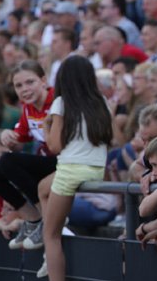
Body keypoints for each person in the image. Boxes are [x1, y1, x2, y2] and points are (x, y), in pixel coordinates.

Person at [43, 56, 113, 281]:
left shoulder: (61, 102)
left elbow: (54, 146)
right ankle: (54, 219)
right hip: (95, 170)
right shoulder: (102, 101)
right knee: (42, 188)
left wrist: (46, 127)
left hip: (70, 171)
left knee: (50, 236)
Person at [0, 61, 56, 250]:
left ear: (43, 81)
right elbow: (19, 138)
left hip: (66, 161)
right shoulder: (28, 107)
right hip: (48, 161)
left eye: (30, 82)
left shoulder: (57, 102)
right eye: (18, 85)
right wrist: (7, 135)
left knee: (8, 160)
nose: (24, 89)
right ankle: (33, 219)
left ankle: (46, 217)